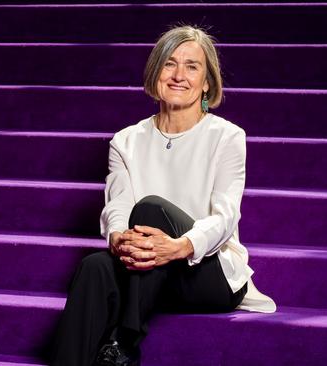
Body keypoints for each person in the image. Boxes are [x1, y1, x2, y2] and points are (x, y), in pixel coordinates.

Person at [51, 25, 276, 366]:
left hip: (206, 275)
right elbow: (118, 206)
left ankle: (125, 341)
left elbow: (225, 217)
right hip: (148, 271)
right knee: (93, 267)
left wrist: (179, 246)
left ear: (207, 83)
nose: (179, 75)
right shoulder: (126, 140)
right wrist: (118, 239)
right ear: (155, 73)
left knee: (151, 208)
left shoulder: (227, 136)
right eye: (169, 64)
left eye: (192, 66)